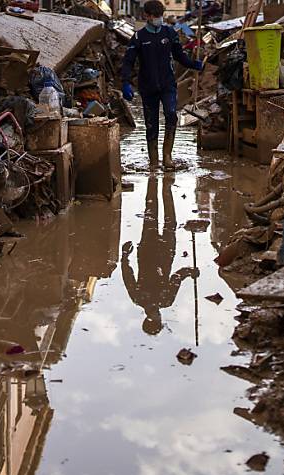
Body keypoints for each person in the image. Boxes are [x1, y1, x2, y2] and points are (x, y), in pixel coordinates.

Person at [121, 0, 204, 171]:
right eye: (155, 16)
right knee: (151, 123)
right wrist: (125, 82)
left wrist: (194, 64)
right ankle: (153, 161)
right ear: (147, 16)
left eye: (160, 16)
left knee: (171, 114)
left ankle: (167, 157)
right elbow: (128, 62)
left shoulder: (169, 32)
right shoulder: (139, 37)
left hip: (168, 85)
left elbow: (179, 56)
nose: (159, 19)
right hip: (148, 87)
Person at [121, 174, 198, 335]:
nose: (156, 315)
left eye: (155, 319)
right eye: (158, 319)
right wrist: (189, 271)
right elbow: (176, 278)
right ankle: (165, 186)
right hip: (164, 252)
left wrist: (125, 257)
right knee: (167, 219)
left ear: (149, 318)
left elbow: (128, 275)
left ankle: (154, 180)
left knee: (151, 212)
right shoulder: (165, 300)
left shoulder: (139, 298)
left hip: (148, 251)